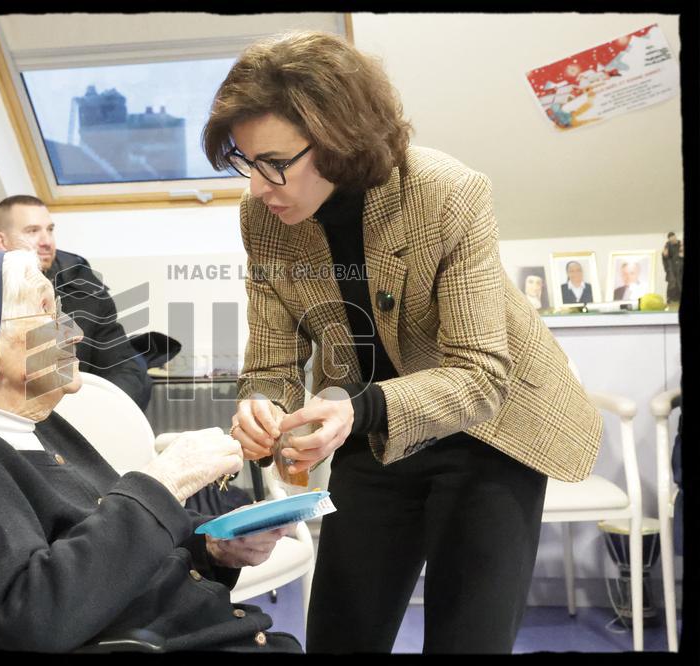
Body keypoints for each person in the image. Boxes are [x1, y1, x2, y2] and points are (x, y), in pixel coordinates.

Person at [202, 31, 602, 654]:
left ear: (338, 139)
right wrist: (263, 406)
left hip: (489, 430)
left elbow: (480, 373)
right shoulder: (264, 219)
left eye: (274, 163)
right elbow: (272, 360)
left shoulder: (445, 192)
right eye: (245, 161)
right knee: (340, 633)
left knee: (468, 640)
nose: (257, 186)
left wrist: (356, 410)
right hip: (368, 431)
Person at [0, 250, 301, 652]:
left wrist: (211, 546)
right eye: (47, 313)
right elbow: (32, 615)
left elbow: (100, 539)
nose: (74, 332)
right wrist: (163, 484)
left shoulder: (29, 422)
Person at [0, 195, 152, 409]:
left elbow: (121, 365)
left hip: (78, 407)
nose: (46, 241)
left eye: (50, 230)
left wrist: (101, 411)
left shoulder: (83, 290)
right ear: (2, 242)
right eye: (32, 231)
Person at [662, 232, 683, 303]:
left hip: (680, 267)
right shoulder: (667, 245)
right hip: (672, 269)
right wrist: (665, 255)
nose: (673, 241)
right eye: (671, 240)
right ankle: (671, 299)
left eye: (674, 238)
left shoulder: (680, 244)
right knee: (672, 283)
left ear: (675, 237)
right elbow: (665, 256)